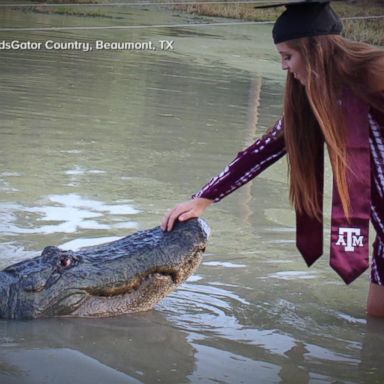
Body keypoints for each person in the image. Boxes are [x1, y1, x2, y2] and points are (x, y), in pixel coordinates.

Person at [161, 1, 384, 316]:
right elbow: (261, 151)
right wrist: (203, 199)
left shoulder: (375, 79)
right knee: (374, 331)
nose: (284, 67)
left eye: (288, 57)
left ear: (315, 51)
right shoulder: (313, 101)